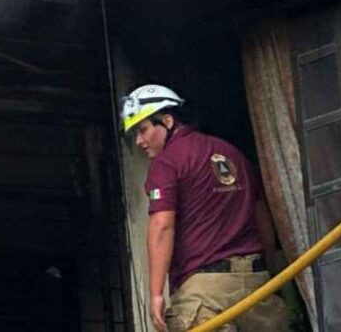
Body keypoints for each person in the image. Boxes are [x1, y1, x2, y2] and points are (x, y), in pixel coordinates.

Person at [121, 84, 287, 332]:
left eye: (143, 130)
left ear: (167, 121)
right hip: (257, 287)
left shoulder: (167, 163)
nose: (139, 141)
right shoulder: (233, 154)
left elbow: (162, 225)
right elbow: (262, 215)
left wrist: (156, 293)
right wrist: (270, 271)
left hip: (205, 294)